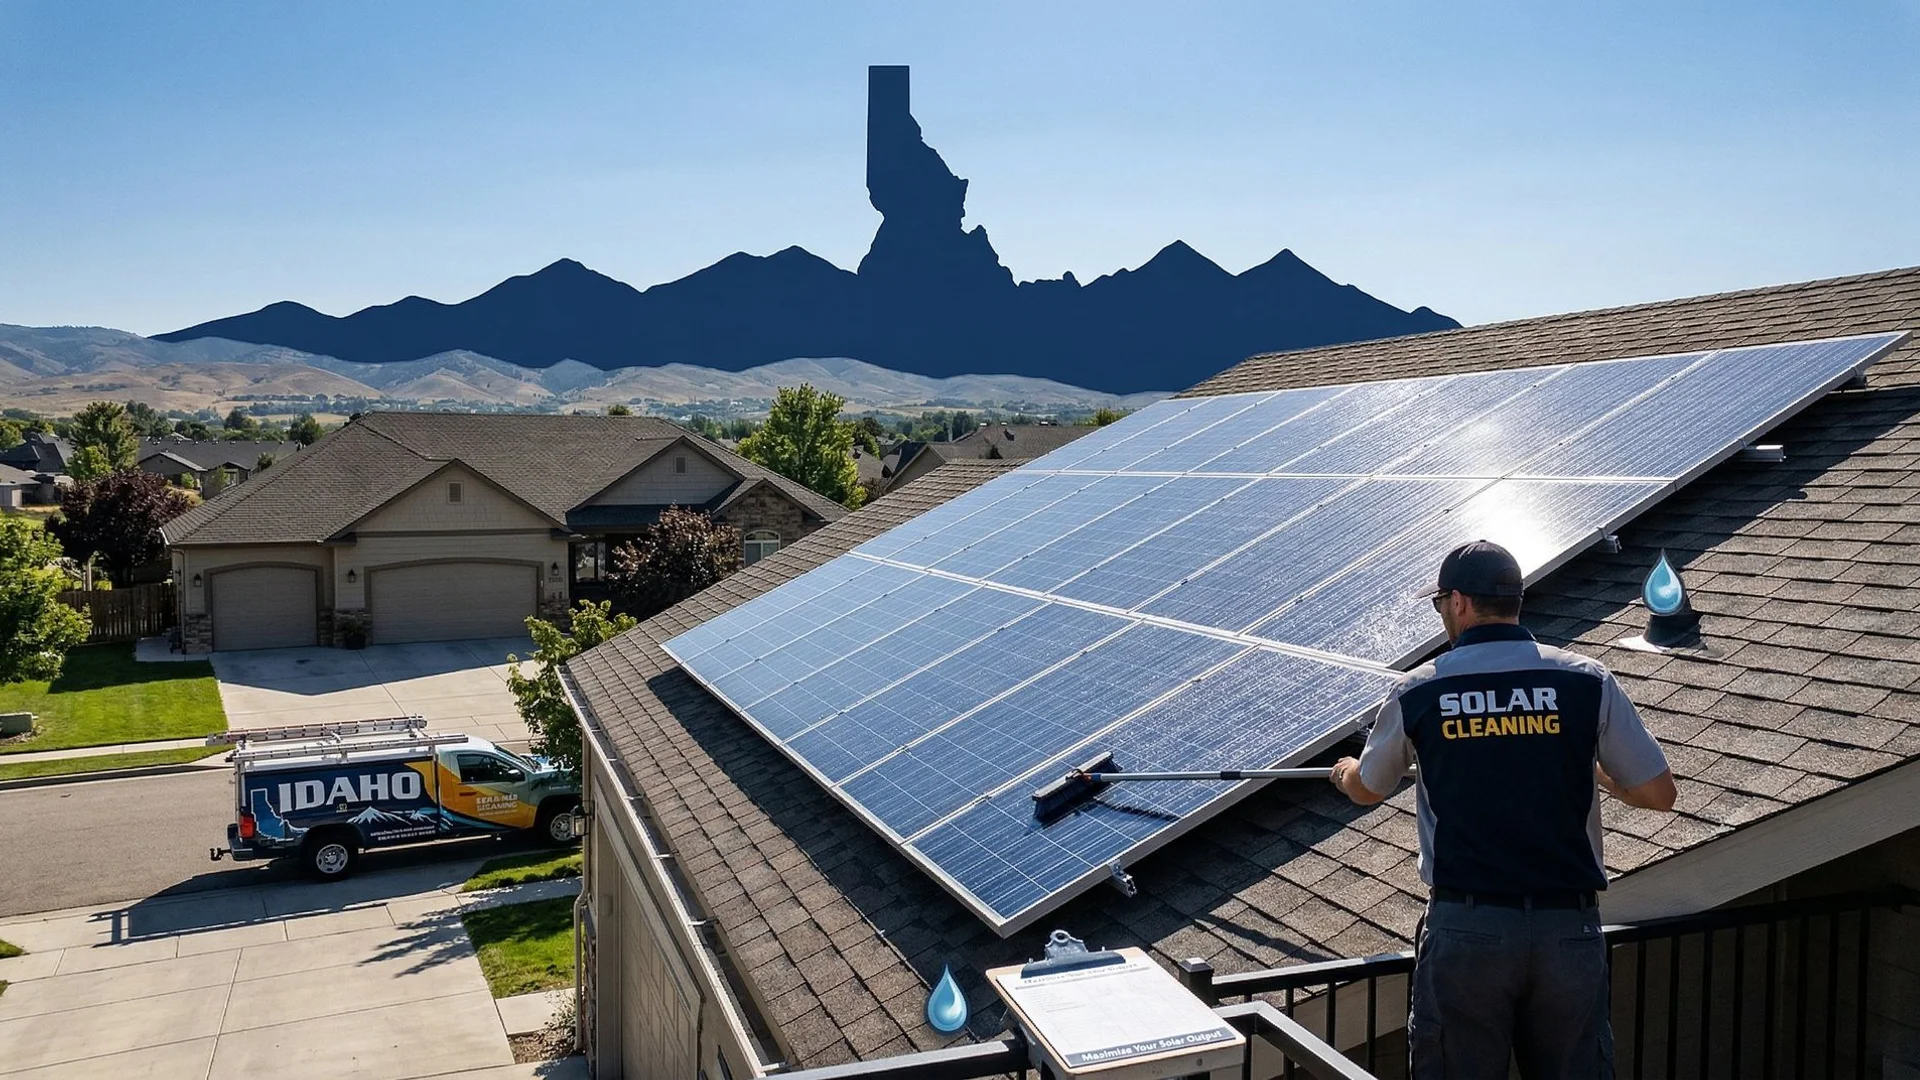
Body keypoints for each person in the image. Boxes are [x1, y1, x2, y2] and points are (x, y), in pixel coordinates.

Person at [1330, 540, 1677, 1080]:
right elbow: (1659, 794)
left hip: (1469, 930)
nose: (1441, 612)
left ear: (1461, 603)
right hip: (1569, 930)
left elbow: (1370, 788)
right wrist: (1597, 773)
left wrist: (1345, 771)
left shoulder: (1421, 690)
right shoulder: (1584, 680)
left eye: (1440, 601)